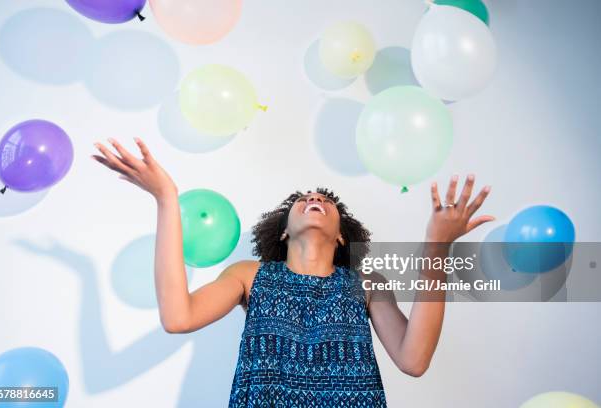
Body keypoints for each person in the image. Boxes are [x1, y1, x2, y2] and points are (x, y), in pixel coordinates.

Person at [91, 137, 494, 407]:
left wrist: (438, 245)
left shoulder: (366, 284)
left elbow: (414, 359)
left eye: (325, 200)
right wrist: (166, 198)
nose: (315, 197)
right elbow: (178, 317)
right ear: (283, 230)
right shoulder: (250, 276)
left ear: (340, 238)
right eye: (303, 199)